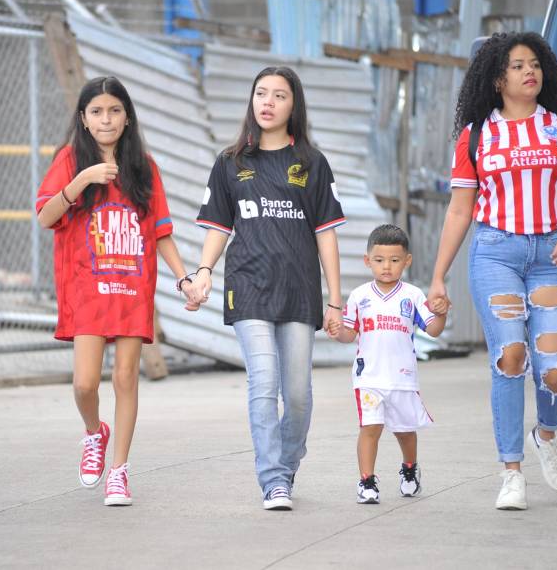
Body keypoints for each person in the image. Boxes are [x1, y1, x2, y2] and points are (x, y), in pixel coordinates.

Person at [427, 32, 557, 511]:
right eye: (518, 65)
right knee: (511, 356)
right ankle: (511, 472)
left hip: (553, 256)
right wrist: (438, 276)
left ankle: (545, 435)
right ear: (498, 78)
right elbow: (460, 210)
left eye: (536, 64)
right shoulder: (477, 136)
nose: (530, 72)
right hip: (496, 254)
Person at [185, 66, 346, 511]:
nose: (268, 102)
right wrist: (203, 271)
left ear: (294, 105)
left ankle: (287, 464)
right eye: (261, 93)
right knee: (264, 380)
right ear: (252, 101)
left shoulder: (311, 162)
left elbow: (326, 233)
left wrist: (335, 299)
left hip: (298, 289)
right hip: (248, 285)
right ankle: (272, 479)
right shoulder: (231, 162)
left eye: (279, 95)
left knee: (296, 394)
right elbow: (218, 226)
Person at [36, 76, 199, 507]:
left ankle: (119, 471)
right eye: (96, 112)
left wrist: (184, 278)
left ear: (127, 118)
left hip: (131, 288)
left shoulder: (144, 168)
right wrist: (83, 180)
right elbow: (45, 216)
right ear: (84, 120)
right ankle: (95, 432)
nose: (105, 119)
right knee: (84, 384)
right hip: (87, 289)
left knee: (126, 378)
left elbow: (161, 233)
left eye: (114, 111)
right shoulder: (70, 160)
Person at [328, 224, 447, 504]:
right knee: (370, 428)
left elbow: (434, 330)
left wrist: (441, 313)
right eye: (379, 260)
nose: (386, 267)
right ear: (368, 260)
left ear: (407, 261)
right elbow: (349, 333)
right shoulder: (360, 296)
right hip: (368, 377)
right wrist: (337, 332)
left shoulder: (413, 296)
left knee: (405, 432)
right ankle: (367, 482)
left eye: (394, 261)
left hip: (402, 377)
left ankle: (409, 469)